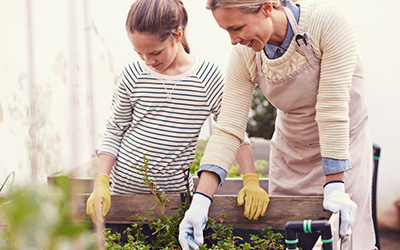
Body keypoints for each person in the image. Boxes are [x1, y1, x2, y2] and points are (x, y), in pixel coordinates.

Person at [179, 0, 376, 249]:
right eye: (226, 30)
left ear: (266, 8)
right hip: (292, 151)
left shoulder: (328, 22)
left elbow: (332, 107)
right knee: (291, 236)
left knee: (342, 237)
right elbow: (229, 129)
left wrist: (335, 185)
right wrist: (201, 201)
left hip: (341, 148)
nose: (232, 39)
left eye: (237, 28)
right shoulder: (244, 55)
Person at [86, 0, 269, 227]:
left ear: (177, 35)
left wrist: (250, 180)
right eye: (139, 53)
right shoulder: (133, 74)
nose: (148, 61)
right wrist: (102, 181)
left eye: (155, 52)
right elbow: (115, 131)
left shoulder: (206, 77)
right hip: (121, 198)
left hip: (174, 203)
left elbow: (233, 131)